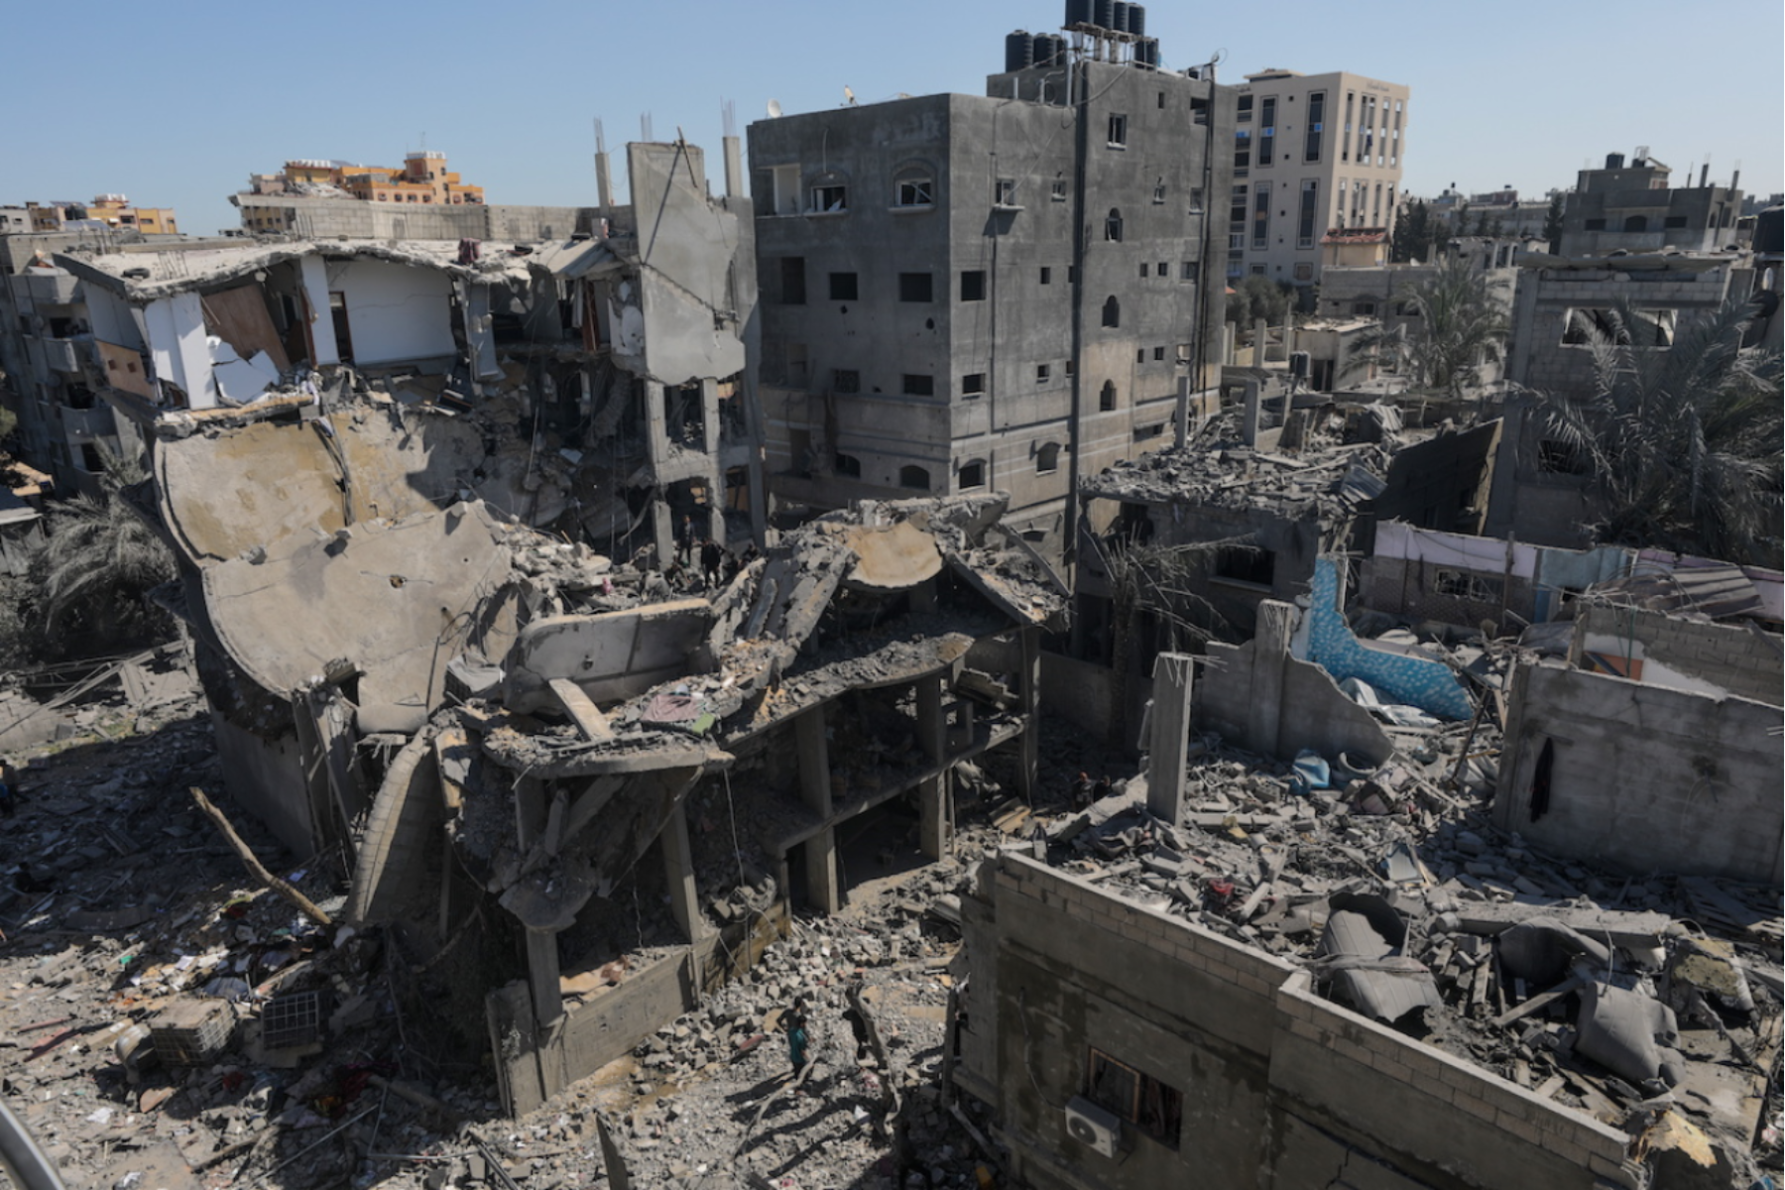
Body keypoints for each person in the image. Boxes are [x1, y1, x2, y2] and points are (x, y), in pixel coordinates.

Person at [784, 996, 811, 1082]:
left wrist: (784, 1029)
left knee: (793, 1050)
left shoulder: (787, 1012)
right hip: (798, 1035)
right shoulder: (799, 1016)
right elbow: (804, 1029)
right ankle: (801, 1075)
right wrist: (808, 1037)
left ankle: (796, 1069)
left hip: (790, 1034)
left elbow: (778, 1020)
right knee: (801, 1053)